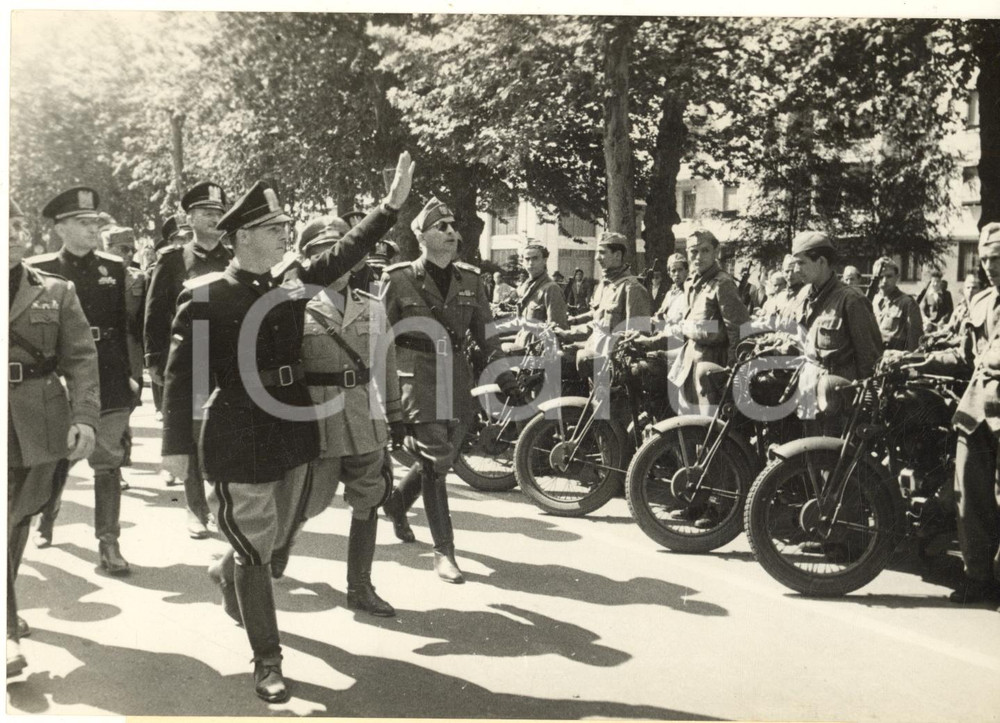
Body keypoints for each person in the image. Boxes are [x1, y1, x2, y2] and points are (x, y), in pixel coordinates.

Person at [161, 152, 413, 702]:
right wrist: (177, 448)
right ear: (244, 236)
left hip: (295, 431)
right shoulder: (206, 295)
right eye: (275, 229)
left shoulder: (291, 280)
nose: (284, 238)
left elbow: (343, 252)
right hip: (238, 433)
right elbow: (183, 380)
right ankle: (268, 660)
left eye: (283, 228)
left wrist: (389, 208)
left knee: (276, 539)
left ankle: (226, 572)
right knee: (256, 548)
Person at [268, 216, 403, 616]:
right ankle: (273, 556)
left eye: (345, 256)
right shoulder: (294, 306)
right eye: (323, 255)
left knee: (368, 498)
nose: (339, 266)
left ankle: (360, 586)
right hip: (315, 417)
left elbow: (386, 364)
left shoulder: (372, 307)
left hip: (363, 416)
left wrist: (395, 417)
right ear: (308, 260)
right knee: (306, 501)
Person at [380, 197, 516, 583]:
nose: (452, 233)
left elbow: (486, 333)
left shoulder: (470, 280)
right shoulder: (399, 278)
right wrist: (384, 396)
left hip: (456, 379)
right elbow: (379, 340)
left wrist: (504, 375)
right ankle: (444, 552)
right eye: (441, 227)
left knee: (439, 459)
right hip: (415, 377)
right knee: (437, 462)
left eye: (454, 226)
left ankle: (396, 503)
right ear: (421, 236)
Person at [8, 199, 101, 678]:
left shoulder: (56, 290)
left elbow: (82, 358)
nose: (11, 231)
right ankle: (6, 634)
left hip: (39, 422)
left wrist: (85, 416)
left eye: (17, 222)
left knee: (20, 517)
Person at [28, 187, 135, 574]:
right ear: (61, 228)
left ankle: (109, 544)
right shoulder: (38, 270)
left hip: (107, 372)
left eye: (96, 223)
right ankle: (48, 514)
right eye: (84, 223)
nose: (94, 230)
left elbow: (124, 328)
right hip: (56, 378)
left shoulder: (114, 267)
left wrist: (132, 376)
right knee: (60, 457)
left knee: (108, 460)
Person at [908, 223, 1000, 605]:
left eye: (998, 258)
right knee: (971, 498)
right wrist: (920, 361)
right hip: (976, 411)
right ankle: (978, 577)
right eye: (985, 259)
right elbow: (963, 357)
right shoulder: (980, 303)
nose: (991, 266)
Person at [145, 182, 231, 539]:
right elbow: (155, 315)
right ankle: (196, 510)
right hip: (193, 362)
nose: (214, 218)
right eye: (207, 213)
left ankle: (226, 507)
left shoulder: (233, 259)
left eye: (218, 212)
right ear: (190, 218)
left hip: (228, 361)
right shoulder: (173, 260)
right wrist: (156, 362)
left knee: (228, 433)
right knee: (195, 438)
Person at [790, 231, 883, 415]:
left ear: (822, 262)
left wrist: (868, 404)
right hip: (808, 392)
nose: (795, 270)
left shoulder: (851, 300)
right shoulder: (803, 296)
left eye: (801, 263)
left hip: (839, 399)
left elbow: (870, 359)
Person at [666, 229, 750, 410]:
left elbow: (739, 330)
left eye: (705, 251)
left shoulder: (723, 284)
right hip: (689, 365)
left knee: (707, 429)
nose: (698, 257)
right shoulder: (691, 283)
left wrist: (731, 375)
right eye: (693, 252)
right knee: (687, 425)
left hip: (712, 369)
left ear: (716, 252)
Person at [102, 225, 146, 478]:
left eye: (131, 249)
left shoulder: (139, 278)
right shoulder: (93, 278)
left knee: (128, 405)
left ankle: (118, 454)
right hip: (106, 353)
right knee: (114, 408)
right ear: (107, 249)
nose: (129, 254)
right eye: (122, 249)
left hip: (131, 353)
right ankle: (115, 465)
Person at [147, 213, 194, 426]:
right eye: (180, 239)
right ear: (171, 241)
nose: (185, 242)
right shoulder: (169, 262)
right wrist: (153, 356)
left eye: (188, 236)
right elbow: (154, 311)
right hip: (175, 341)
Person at [504, 243, 569, 353]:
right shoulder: (525, 286)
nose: (531, 263)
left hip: (538, 349)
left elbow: (556, 328)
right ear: (522, 262)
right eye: (527, 259)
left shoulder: (551, 289)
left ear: (544, 260)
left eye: (535, 258)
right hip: (522, 341)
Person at [872, 256, 923, 352]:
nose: (884, 281)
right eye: (880, 277)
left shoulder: (907, 303)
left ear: (897, 277)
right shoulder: (872, 301)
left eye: (889, 276)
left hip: (895, 362)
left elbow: (915, 343)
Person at [923, 272, 983, 349]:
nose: (970, 291)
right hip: (936, 328)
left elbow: (949, 310)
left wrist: (943, 321)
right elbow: (950, 328)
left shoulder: (983, 309)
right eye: (968, 287)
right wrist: (933, 335)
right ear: (964, 289)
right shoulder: (960, 309)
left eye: (974, 288)